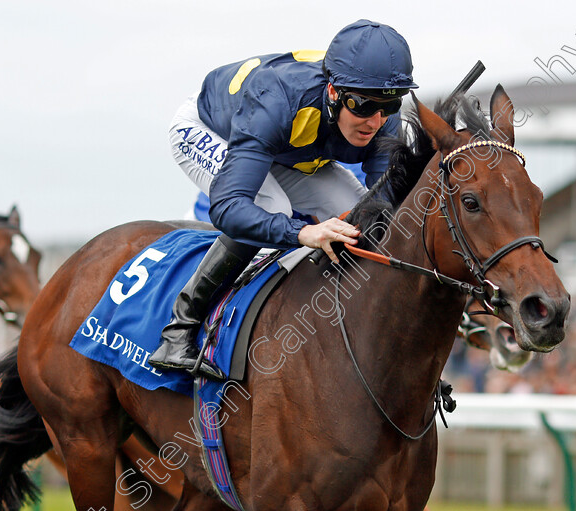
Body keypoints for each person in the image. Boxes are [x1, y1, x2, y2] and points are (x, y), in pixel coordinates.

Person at [150, 19, 417, 379]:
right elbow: (230, 208)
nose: (375, 121)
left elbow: (384, 200)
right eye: (363, 106)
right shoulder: (277, 99)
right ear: (335, 92)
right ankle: (180, 328)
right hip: (213, 130)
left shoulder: (380, 113)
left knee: (359, 215)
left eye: (389, 105)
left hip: (285, 149)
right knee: (271, 208)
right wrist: (302, 233)